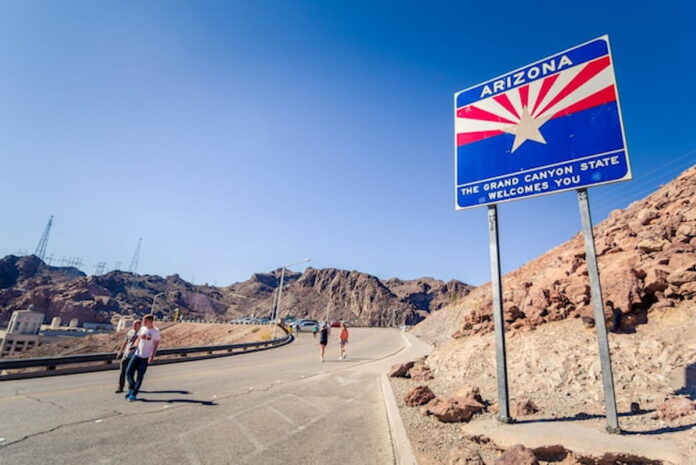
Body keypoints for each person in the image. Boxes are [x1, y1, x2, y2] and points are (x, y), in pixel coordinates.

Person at [125, 314, 161, 401]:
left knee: (139, 376)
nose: (143, 323)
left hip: (145, 357)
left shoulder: (155, 332)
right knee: (128, 372)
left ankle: (133, 394)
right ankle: (132, 387)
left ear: (151, 321)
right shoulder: (142, 329)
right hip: (137, 354)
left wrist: (152, 356)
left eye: (145, 321)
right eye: (143, 321)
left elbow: (156, 345)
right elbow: (138, 339)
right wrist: (134, 346)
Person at [115, 319, 142, 393]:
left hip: (135, 356)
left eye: (136, 324)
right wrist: (120, 351)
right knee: (122, 371)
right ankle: (120, 386)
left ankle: (131, 386)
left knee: (131, 372)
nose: (134, 326)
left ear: (140, 325)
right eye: (133, 324)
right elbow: (125, 342)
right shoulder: (130, 332)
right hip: (126, 354)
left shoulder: (142, 334)